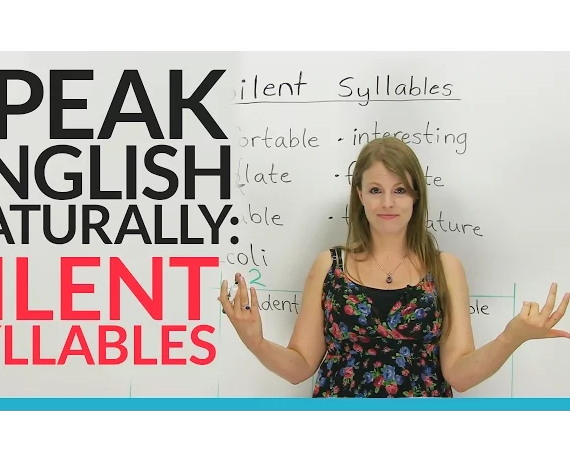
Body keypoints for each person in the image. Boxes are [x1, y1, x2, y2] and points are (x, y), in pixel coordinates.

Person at [218, 136, 570, 398]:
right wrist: (256, 342)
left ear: (416, 196)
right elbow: (299, 366)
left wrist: (512, 337)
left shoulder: (445, 268)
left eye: (400, 190)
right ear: (359, 195)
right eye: (375, 190)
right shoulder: (330, 266)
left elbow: (460, 375)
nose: (387, 202)